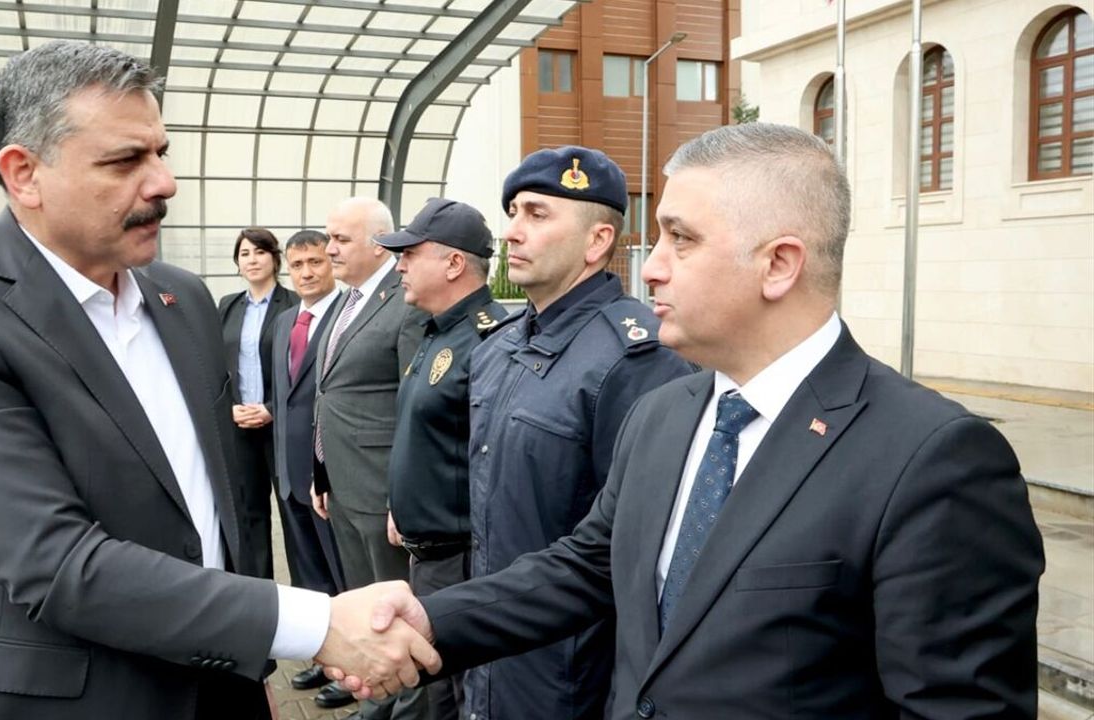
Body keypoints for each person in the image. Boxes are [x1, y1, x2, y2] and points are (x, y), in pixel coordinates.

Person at [353, 123, 1046, 718]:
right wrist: (428, 619)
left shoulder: (933, 460)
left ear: (779, 265)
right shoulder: (664, 413)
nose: (651, 268)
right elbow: (587, 568)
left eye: (680, 239)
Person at [0, 40, 438, 720]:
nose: (164, 182)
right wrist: (312, 625)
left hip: (219, 680)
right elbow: (57, 564)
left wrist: (248, 660)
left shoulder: (181, 298)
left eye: (161, 152)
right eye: (125, 160)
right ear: (24, 174)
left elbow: (215, 509)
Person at [455, 146, 692, 720]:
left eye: (537, 215)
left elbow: (637, 550)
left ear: (597, 241)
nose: (512, 232)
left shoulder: (636, 360)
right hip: (492, 651)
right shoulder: (498, 347)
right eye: (513, 212)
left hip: (571, 672)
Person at [375, 198, 508, 720]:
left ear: (454, 264)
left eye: (410, 254)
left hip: (460, 560)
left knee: (458, 695)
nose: (399, 266)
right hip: (427, 552)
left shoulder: (489, 342)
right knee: (437, 694)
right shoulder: (436, 331)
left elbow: (491, 462)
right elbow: (429, 435)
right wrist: (401, 506)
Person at [313, 196, 428, 720]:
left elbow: (413, 406)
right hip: (342, 483)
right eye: (329, 237)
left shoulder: (404, 302)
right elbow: (330, 393)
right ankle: (376, 700)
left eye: (340, 239)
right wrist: (320, 471)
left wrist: (401, 496)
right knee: (362, 601)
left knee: (392, 611)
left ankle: (407, 707)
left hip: (381, 489)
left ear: (379, 244)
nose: (329, 248)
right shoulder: (347, 301)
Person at [268, 230, 350, 699]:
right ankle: (326, 659)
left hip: (329, 478)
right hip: (289, 476)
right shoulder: (285, 322)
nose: (306, 273)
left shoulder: (346, 316)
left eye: (315, 262)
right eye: (297, 265)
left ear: (331, 262)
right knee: (308, 578)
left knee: (342, 576)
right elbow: (285, 399)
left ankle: (351, 670)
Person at [219, 227, 298, 580]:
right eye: (244, 254)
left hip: (280, 424)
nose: (252, 260)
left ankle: (308, 590)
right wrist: (230, 406)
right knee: (249, 513)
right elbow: (216, 364)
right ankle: (260, 591)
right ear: (237, 263)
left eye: (260, 252)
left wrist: (270, 408)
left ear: (275, 259)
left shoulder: (293, 304)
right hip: (239, 424)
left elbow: (302, 369)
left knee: (294, 511)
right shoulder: (228, 306)